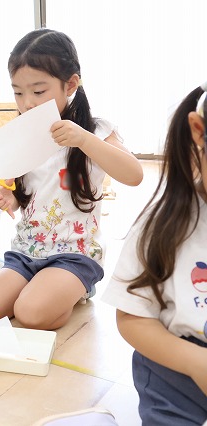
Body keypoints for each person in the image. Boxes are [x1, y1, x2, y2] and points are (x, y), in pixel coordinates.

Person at [0, 29, 143, 330]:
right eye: (18, 92)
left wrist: (84, 140)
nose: (27, 103)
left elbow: (135, 175)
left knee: (30, 313)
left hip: (75, 254)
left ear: (70, 84)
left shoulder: (95, 129)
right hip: (27, 250)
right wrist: (9, 197)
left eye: (38, 92)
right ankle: (43, 287)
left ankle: (74, 289)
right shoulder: (23, 132)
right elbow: (21, 188)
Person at [102, 84, 207, 425]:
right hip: (178, 368)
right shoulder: (163, 226)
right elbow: (132, 317)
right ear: (199, 131)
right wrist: (195, 363)